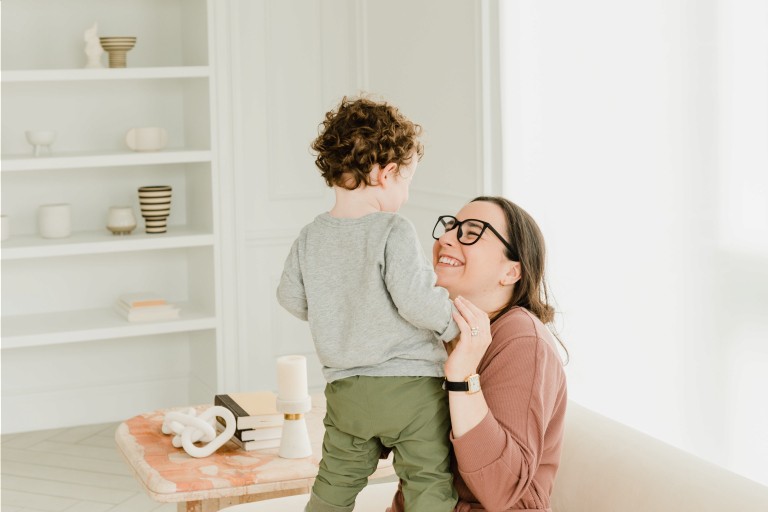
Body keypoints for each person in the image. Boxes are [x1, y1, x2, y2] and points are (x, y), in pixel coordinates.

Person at [276, 96, 459, 512]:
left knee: (335, 483)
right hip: (411, 389)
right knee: (428, 480)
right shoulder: (393, 229)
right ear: (386, 173)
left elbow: (290, 297)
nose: (405, 194)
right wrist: (454, 327)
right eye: (406, 181)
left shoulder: (310, 236)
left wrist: (333, 307)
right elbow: (415, 300)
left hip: (347, 393)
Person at [388, 196, 568, 512]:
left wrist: (462, 379)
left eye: (471, 233)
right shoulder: (442, 329)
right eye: (450, 227)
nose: (446, 238)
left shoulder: (523, 339)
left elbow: (502, 488)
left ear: (511, 272)